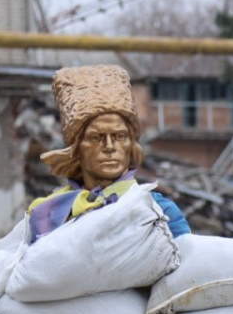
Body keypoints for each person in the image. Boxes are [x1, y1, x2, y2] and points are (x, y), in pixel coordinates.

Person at [26, 64, 190, 242]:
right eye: (96, 137)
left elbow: (187, 263)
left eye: (120, 136)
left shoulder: (159, 212)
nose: (110, 146)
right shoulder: (50, 215)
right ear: (76, 148)